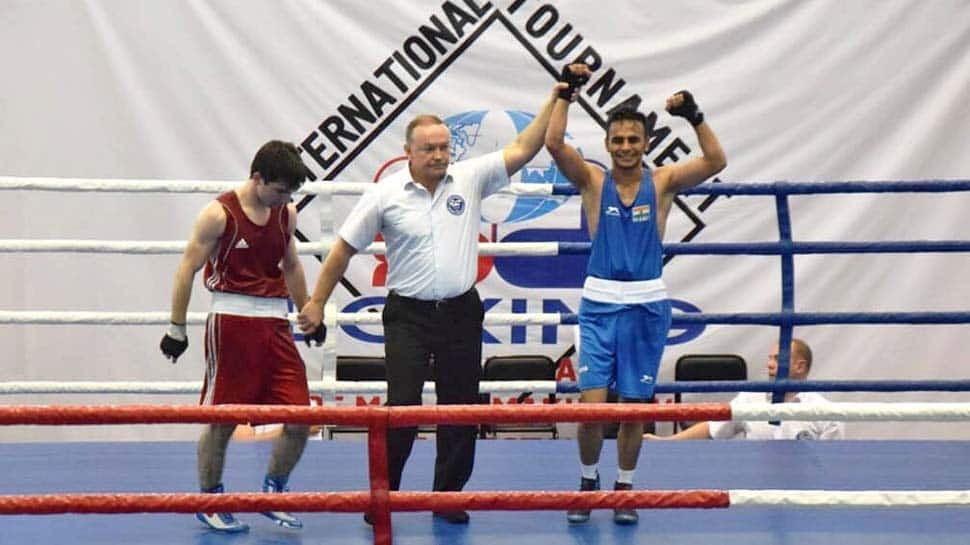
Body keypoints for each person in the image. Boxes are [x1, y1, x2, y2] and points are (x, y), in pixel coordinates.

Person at [297, 83, 567, 525]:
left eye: (444, 147)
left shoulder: (470, 176)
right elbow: (343, 248)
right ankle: (384, 495)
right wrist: (316, 303)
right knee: (401, 406)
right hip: (408, 316)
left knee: (460, 407)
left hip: (461, 311)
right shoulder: (385, 194)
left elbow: (524, 146)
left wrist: (557, 97)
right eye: (429, 149)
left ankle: (447, 496)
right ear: (408, 151)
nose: (440, 155)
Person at [544, 64, 727, 525]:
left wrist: (695, 116)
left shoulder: (662, 182)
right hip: (600, 304)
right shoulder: (593, 181)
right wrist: (565, 93)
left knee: (631, 410)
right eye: (618, 140)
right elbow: (553, 144)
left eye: (633, 140)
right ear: (607, 144)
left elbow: (715, 162)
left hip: (647, 304)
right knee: (591, 409)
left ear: (645, 142)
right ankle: (588, 480)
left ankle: (624, 486)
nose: (625, 147)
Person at [159, 140, 326, 533]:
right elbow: (187, 268)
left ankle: (273, 493)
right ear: (257, 178)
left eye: (290, 192)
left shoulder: (285, 213)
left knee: (301, 416)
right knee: (223, 420)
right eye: (280, 190)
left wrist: (307, 313)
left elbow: (291, 264)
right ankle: (210, 499)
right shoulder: (219, 214)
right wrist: (176, 327)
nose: (285, 199)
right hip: (231, 321)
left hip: (275, 324)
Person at [646, 339, 845, 441]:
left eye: (778, 359)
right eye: (769, 358)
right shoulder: (751, 399)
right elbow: (712, 428)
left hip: (804, 493)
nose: (769, 364)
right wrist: (667, 442)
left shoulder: (826, 414)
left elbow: (831, 466)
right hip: (754, 490)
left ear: (800, 366)